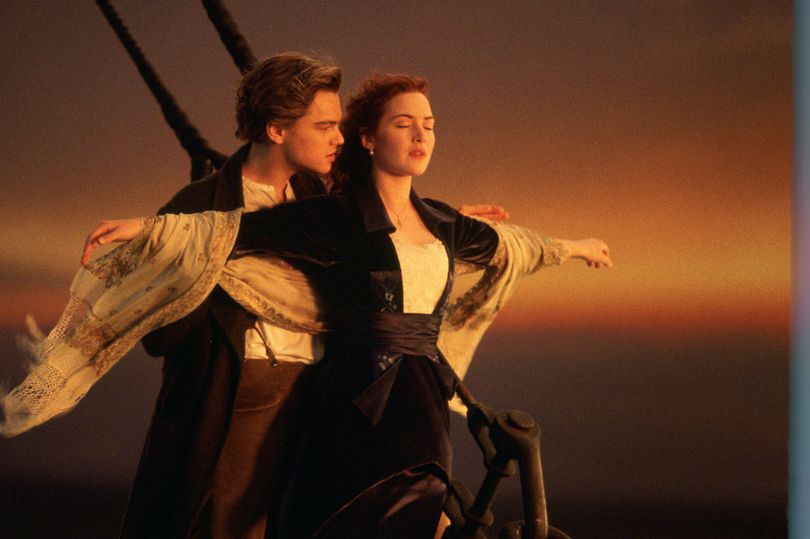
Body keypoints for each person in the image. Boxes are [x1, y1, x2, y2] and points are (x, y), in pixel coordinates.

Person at [78, 73, 611, 537]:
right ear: (368, 138)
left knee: (421, 514)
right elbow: (231, 231)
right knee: (346, 519)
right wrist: (147, 228)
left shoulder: (445, 223)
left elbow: (513, 245)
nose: (421, 135)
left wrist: (576, 247)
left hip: (423, 404)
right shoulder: (337, 216)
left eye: (429, 125)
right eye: (404, 123)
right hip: (356, 402)